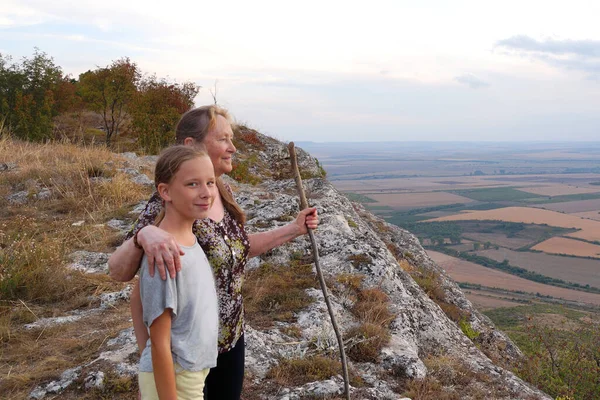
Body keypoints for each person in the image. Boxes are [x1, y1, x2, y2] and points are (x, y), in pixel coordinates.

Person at [108, 105, 319, 400]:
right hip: (186, 351)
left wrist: (294, 228)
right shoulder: (171, 203)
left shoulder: (219, 192)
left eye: (231, 139)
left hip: (229, 335)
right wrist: (142, 235)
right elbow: (121, 273)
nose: (232, 147)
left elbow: (238, 249)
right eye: (222, 139)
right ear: (190, 145)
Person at [138, 145, 218, 399]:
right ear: (165, 191)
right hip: (177, 378)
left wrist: (145, 356)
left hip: (189, 373)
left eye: (210, 182)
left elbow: (136, 297)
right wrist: (149, 360)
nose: (206, 193)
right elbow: (160, 341)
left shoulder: (188, 240)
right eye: (193, 184)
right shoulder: (165, 253)